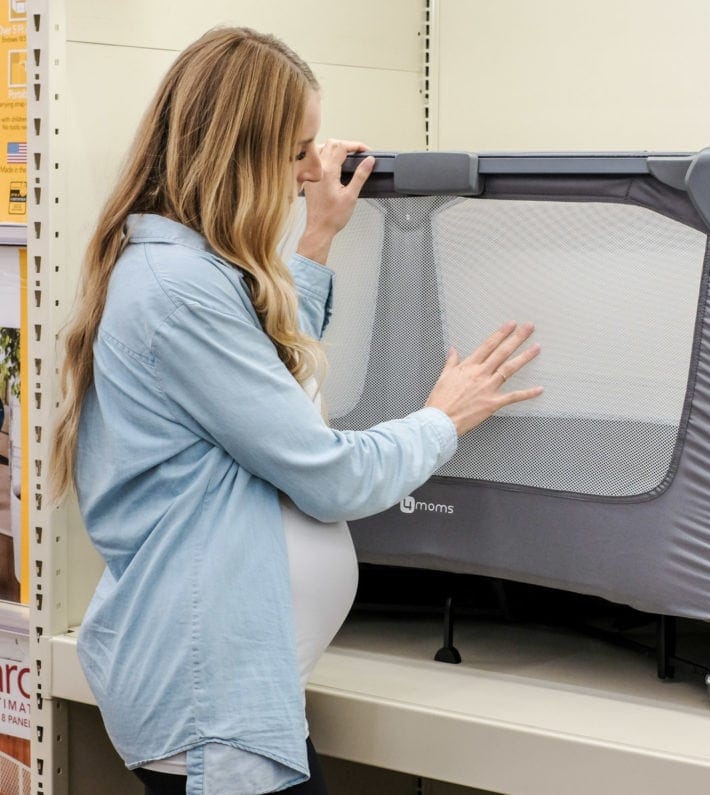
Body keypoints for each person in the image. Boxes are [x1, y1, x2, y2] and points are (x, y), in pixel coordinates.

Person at [49, 26, 542, 795]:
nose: (312, 169)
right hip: (209, 701)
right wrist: (442, 417)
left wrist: (315, 240)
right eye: (296, 151)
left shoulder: (182, 270)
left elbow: (261, 394)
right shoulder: (179, 290)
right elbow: (326, 473)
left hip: (221, 692)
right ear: (234, 153)